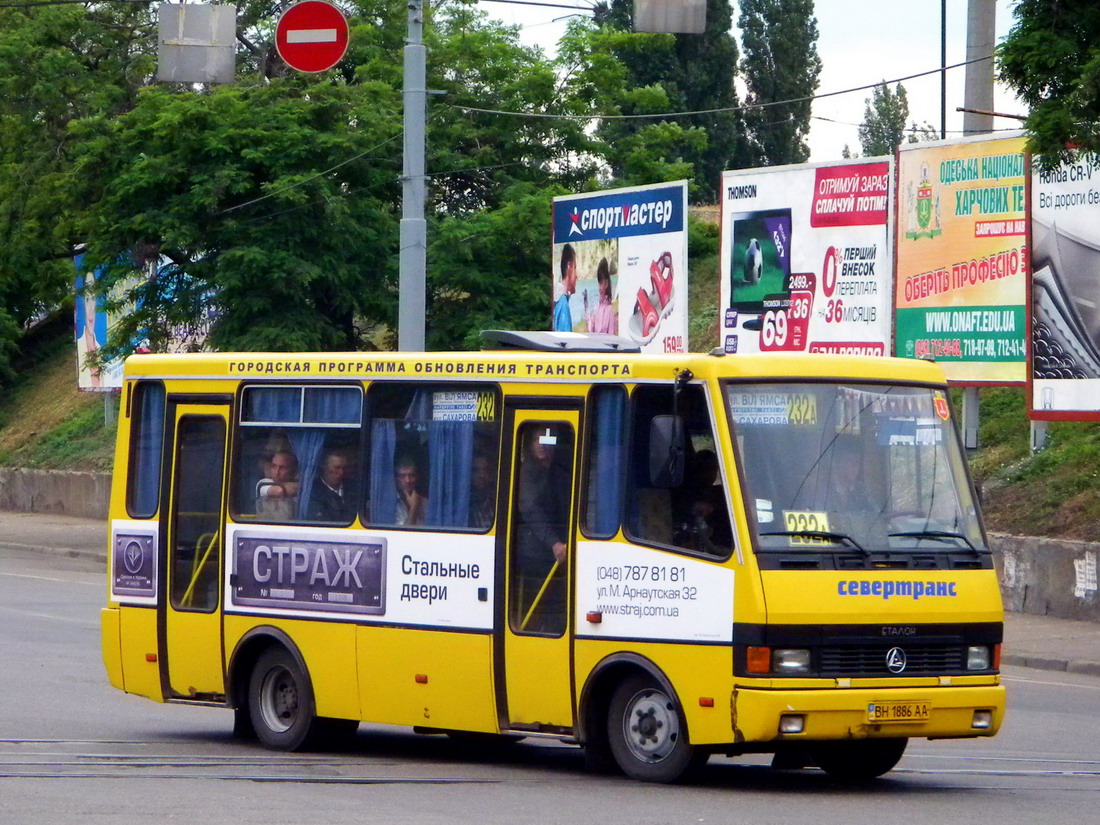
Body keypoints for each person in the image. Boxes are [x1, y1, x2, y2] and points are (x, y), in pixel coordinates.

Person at [514, 427, 571, 630]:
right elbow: (530, 509)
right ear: (529, 444)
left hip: (561, 550)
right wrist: (554, 542)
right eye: (537, 439)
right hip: (534, 554)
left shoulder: (559, 472)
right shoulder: (526, 472)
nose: (542, 444)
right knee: (541, 610)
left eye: (547, 439)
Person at [675, 449, 732, 552]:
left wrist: (714, 507)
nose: (709, 473)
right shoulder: (683, 495)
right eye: (704, 468)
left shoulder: (722, 493)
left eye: (713, 468)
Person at [308, 450, 356, 522]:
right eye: (336, 468)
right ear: (324, 467)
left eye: (344, 468)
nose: (341, 472)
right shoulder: (312, 491)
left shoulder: (354, 488)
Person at [256, 449, 300, 521]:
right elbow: (279, 491)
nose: (277, 472)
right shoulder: (263, 483)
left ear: (293, 470)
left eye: (282, 468)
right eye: (274, 466)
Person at [584, 257, 617, 335]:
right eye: (598, 283)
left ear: (606, 284)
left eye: (601, 283)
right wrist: (586, 306)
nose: (599, 288)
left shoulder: (610, 310)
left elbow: (611, 338)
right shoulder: (597, 306)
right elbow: (590, 330)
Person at [394, 455, 428, 526]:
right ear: (396, 479)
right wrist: (414, 508)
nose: (408, 481)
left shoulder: (425, 503)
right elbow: (404, 534)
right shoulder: (391, 504)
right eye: (402, 476)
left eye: (411, 475)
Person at [469, 453, 496, 529]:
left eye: (485, 470)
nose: (481, 475)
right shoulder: (466, 506)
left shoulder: (496, 503)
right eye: (476, 471)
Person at [554, 244, 577, 332]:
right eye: (575, 268)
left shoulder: (556, 299)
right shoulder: (563, 304)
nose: (576, 276)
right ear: (569, 267)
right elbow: (566, 342)